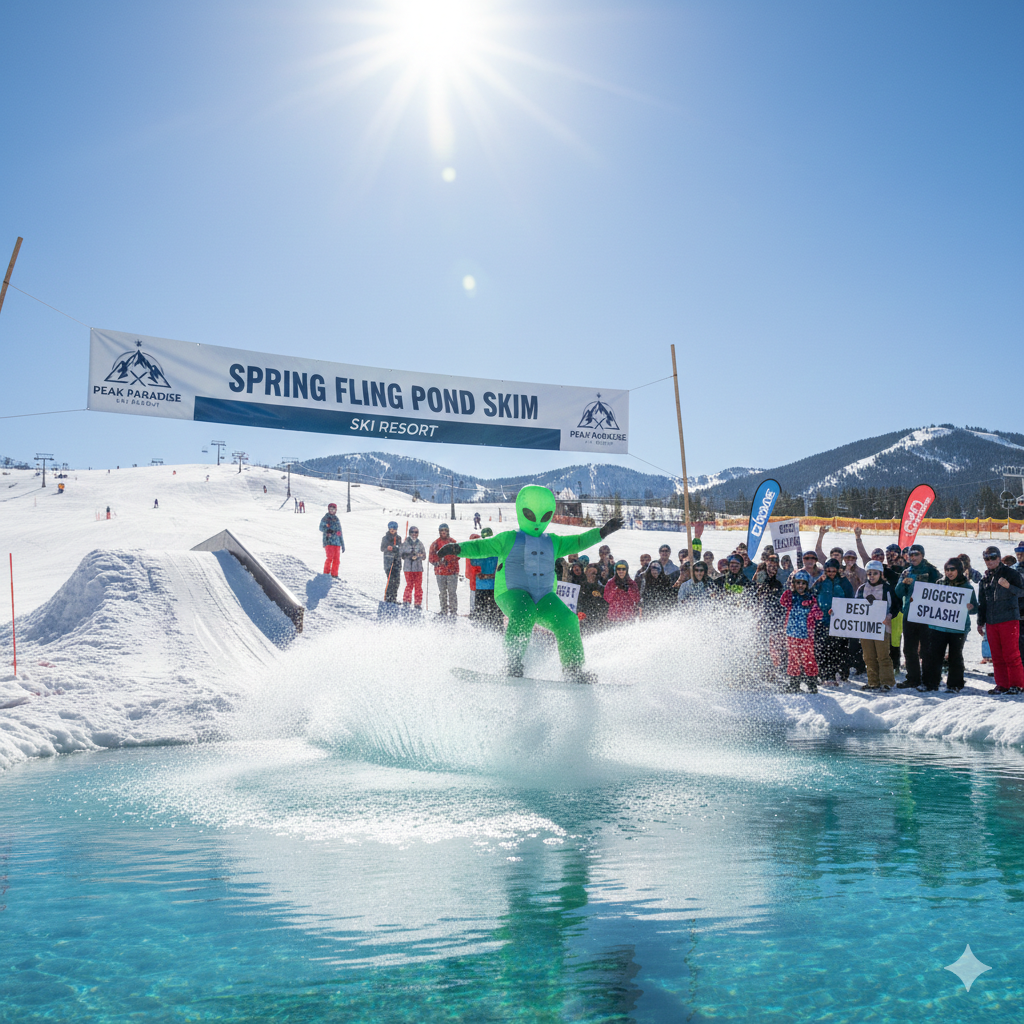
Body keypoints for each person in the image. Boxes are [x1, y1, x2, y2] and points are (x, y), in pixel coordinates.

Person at [438, 486, 622, 680]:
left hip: (544, 597)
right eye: (530, 514)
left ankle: (573, 669)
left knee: (568, 620)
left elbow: (578, 541)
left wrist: (602, 532)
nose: (537, 521)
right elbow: (481, 546)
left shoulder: (553, 542)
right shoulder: (509, 538)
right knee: (524, 610)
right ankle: (513, 662)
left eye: (544, 517)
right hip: (512, 592)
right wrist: (456, 548)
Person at [919, 558, 977, 693]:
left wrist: (971, 607)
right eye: (947, 569)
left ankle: (955, 684)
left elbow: (975, 609)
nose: (949, 572)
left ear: (959, 570)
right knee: (934, 655)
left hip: (958, 628)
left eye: (952, 569)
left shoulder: (967, 587)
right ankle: (931, 683)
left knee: (955, 656)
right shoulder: (939, 584)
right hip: (939, 626)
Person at [977, 546, 1024, 695]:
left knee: (1011, 654)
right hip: (991, 622)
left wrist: (1009, 586)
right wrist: (980, 621)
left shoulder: (1011, 573)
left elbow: (1022, 592)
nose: (990, 561)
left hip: (1009, 619)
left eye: (992, 557)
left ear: (999, 558)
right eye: (987, 558)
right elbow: (982, 603)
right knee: (996, 655)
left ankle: (1017, 684)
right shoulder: (985, 579)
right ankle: (1002, 684)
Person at [894, 544, 940, 689]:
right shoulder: (906, 572)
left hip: (927, 615)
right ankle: (913, 678)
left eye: (916, 554)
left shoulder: (932, 571)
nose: (913, 557)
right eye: (910, 554)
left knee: (926, 650)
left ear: (922, 555)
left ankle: (928, 680)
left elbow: (941, 591)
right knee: (909, 649)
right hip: (909, 614)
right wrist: (903, 581)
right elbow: (898, 592)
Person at [854, 561, 899, 691]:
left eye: (875, 573)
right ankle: (873, 682)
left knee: (883, 655)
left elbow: (896, 606)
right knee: (868, 656)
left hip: (882, 627)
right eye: (869, 573)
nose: (872, 576)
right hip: (866, 627)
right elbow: (854, 606)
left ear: (881, 574)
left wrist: (889, 616)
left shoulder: (887, 588)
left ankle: (887, 682)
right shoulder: (862, 588)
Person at [811, 559, 853, 685]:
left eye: (833, 570)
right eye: (828, 570)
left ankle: (836, 673)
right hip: (823, 620)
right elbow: (812, 595)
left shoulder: (844, 582)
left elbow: (850, 598)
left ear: (838, 570)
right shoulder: (821, 581)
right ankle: (824, 675)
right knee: (822, 648)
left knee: (837, 648)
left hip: (839, 621)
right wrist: (817, 583)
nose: (830, 573)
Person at [780, 571, 822, 693]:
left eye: (803, 583)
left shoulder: (811, 598)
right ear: (794, 583)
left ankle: (812, 684)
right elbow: (782, 602)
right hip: (791, 634)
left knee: (808, 658)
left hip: (806, 635)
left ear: (807, 585)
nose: (800, 586)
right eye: (798, 583)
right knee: (793, 659)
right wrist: (789, 589)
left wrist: (814, 609)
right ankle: (794, 684)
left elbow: (818, 614)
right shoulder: (790, 596)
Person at [752, 556, 787, 685]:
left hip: (775, 618)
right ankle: (761, 672)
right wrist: (760, 573)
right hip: (762, 618)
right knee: (761, 645)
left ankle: (770, 672)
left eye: (774, 567)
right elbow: (756, 589)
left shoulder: (777, 583)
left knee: (773, 647)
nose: (772, 569)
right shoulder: (762, 577)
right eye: (770, 567)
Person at [470, 527, 501, 626]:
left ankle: (490, 630)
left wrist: (487, 576)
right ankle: (484, 631)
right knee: (486, 612)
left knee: (491, 613)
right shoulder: (496, 551)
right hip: (485, 586)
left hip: (490, 586)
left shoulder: (495, 552)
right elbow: (473, 562)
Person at [428, 523, 460, 616]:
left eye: (445, 530)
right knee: (442, 592)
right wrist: (439, 562)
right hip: (440, 572)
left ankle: (453, 611)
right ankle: (443, 610)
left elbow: (458, 555)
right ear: (439, 532)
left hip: (452, 572)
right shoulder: (435, 544)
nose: (444, 532)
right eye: (442, 530)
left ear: (448, 531)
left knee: (452, 592)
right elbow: (431, 557)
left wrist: (449, 559)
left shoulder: (453, 542)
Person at [578, 564, 609, 634]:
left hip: (597, 620)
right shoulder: (579, 587)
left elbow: (605, 605)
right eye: (592, 573)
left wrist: (603, 617)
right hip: (582, 619)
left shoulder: (601, 589)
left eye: (595, 573)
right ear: (586, 572)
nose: (593, 575)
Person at [399, 526, 426, 607]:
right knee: (409, 585)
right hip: (408, 568)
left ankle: (417, 603)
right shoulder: (405, 543)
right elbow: (401, 555)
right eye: (413, 532)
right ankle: (406, 601)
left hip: (418, 568)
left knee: (418, 586)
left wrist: (418, 556)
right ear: (410, 533)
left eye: (416, 532)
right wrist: (410, 555)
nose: (414, 534)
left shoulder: (420, 543)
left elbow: (424, 556)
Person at [319, 502, 344, 577]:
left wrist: (342, 543)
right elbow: (320, 527)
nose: (332, 511)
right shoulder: (326, 518)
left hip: (337, 543)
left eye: (334, 509)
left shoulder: (336, 519)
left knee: (337, 559)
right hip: (329, 541)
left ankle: (334, 574)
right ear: (328, 509)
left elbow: (340, 532)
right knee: (330, 557)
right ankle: (326, 574)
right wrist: (327, 530)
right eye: (331, 509)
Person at [380, 521, 402, 603]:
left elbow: (400, 549)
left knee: (397, 581)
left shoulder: (399, 538)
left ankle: (393, 598)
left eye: (394, 528)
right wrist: (387, 548)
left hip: (397, 562)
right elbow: (382, 548)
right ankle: (388, 597)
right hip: (389, 562)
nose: (392, 530)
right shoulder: (385, 538)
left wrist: (401, 546)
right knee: (391, 580)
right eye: (391, 528)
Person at [465, 533, 481, 611]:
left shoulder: (470, 552)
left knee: (474, 597)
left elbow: (468, 571)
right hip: (478, 580)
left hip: (476, 580)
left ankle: (474, 612)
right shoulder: (480, 552)